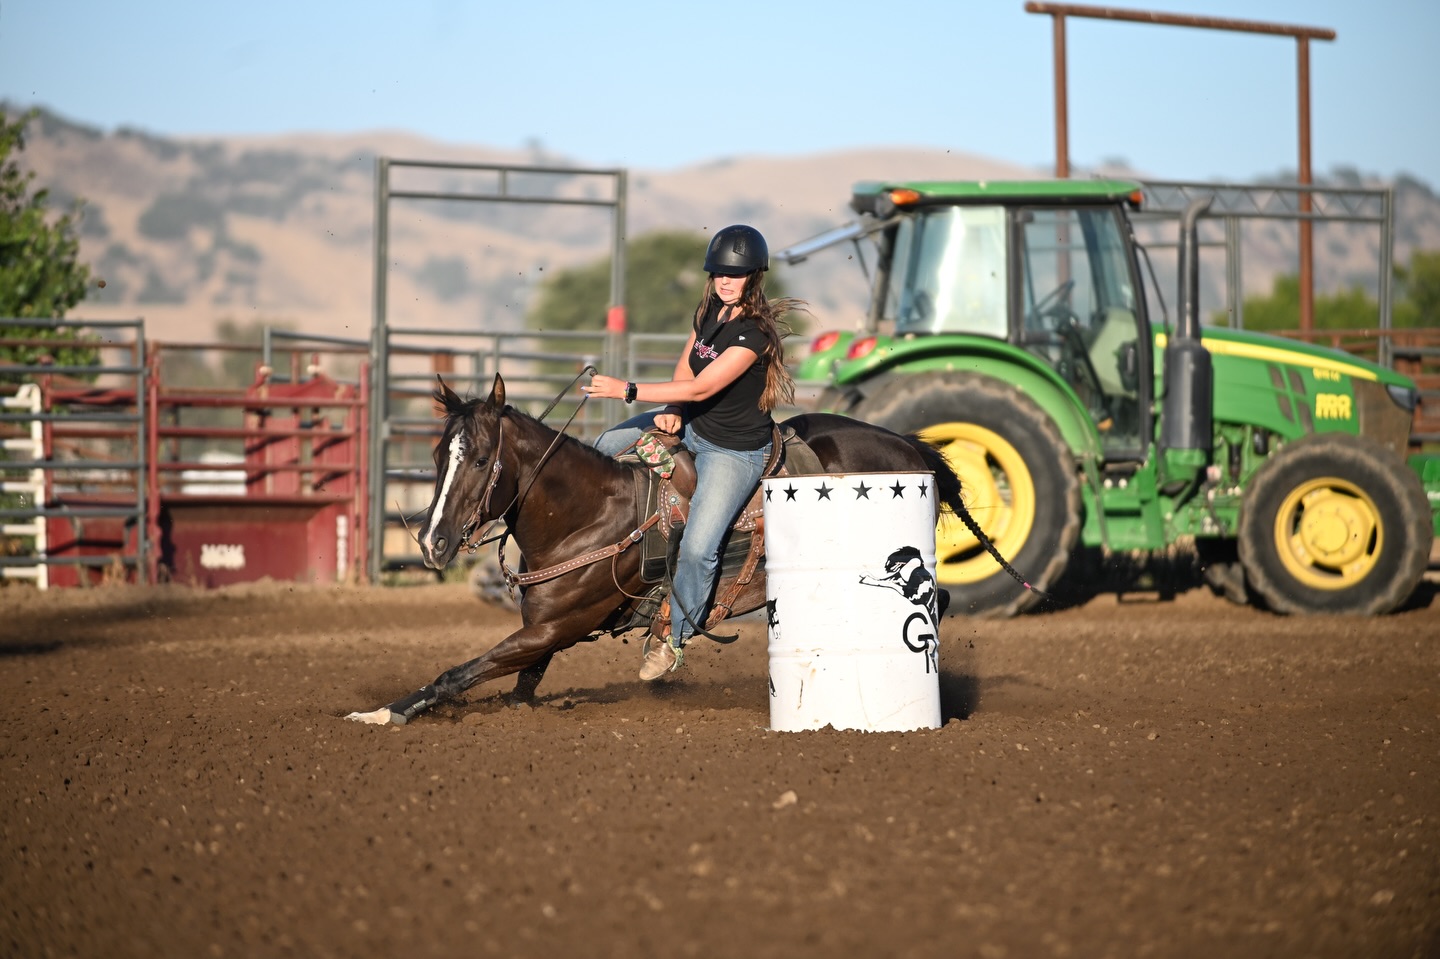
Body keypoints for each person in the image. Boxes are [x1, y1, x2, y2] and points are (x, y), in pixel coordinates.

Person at [583, 224, 801, 681]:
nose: (725, 280)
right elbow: (687, 367)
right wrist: (673, 408)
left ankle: (673, 638)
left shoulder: (754, 334)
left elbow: (707, 383)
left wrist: (627, 390)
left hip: (734, 450)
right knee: (604, 449)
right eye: (719, 271)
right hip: (694, 426)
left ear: (754, 278)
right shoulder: (708, 313)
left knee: (701, 548)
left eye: (735, 274)